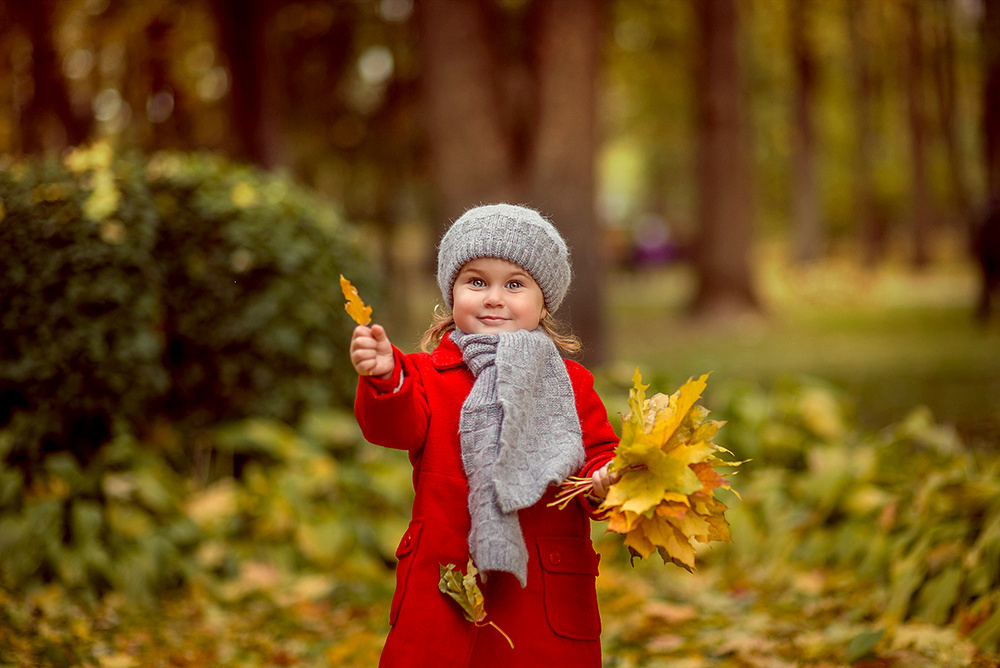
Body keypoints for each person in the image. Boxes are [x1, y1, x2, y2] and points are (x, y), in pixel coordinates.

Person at [350, 203, 619, 667]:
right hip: (446, 582)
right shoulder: (425, 375)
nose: (494, 297)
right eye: (476, 281)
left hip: (539, 589)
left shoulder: (570, 384)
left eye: (514, 284)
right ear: (451, 293)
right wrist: (384, 376)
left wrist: (607, 482)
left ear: (543, 301)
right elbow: (394, 426)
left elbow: (597, 456)